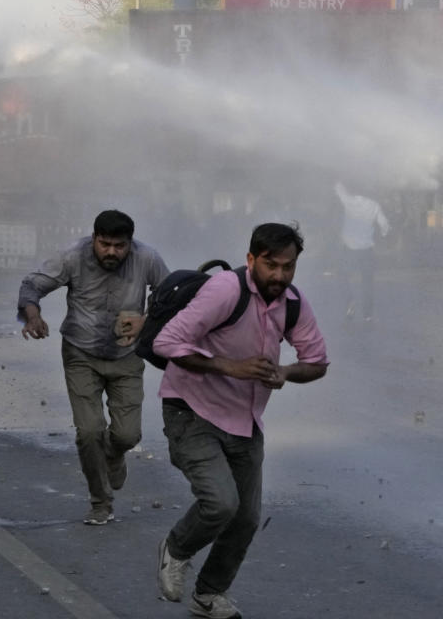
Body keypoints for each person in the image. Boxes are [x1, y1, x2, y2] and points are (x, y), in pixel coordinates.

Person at [153, 223, 328, 618]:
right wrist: (230, 367)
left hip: (245, 421)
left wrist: (285, 373)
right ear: (251, 260)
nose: (279, 276)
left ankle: (209, 594)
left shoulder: (294, 302)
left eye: (289, 267)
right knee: (221, 503)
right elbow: (167, 343)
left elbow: (317, 363)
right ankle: (176, 549)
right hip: (191, 409)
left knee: (246, 518)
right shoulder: (225, 290)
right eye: (271, 265)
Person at [18, 210, 169, 525]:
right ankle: (101, 503)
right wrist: (33, 316)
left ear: (130, 243)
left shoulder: (147, 258)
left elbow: (170, 297)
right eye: (105, 244)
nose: (111, 252)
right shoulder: (73, 256)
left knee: (127, 435)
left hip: (127, 355)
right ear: (94, 239)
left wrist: (147, 321)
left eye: (119, 246)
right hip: (80, 353)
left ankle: (113, 455)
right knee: (89, 432)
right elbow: (32, 285)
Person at [334, 182, 390, 322]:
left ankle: (349, 301)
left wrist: (338, 179)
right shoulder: (374, 205)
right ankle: (367, 314)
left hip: (349, 248)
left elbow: (338, 188)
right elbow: (384, 226)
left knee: (342, 275)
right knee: (367, 282)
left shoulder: (349, 201)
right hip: (367, 249)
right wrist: (383, 233)